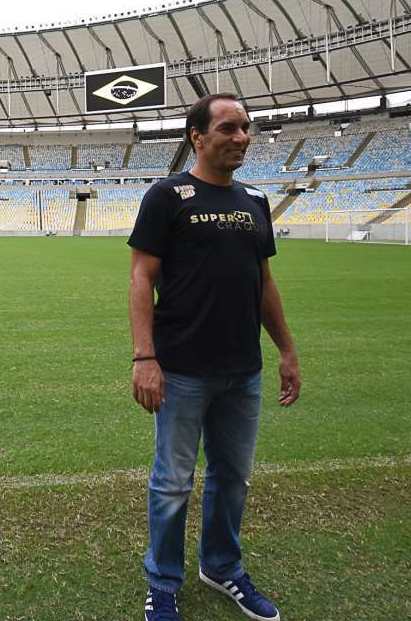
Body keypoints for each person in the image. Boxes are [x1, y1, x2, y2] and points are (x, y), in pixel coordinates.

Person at [128, 93, 301, 621]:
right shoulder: (167, 195)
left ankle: (221, 566)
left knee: (232, 479)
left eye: (245, 127)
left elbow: (263, 282)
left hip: (242, 371)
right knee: (172, 483)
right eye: (228, 128)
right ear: (197, 137)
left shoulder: (255, 200)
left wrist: (286, 349)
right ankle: (162, 583)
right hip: (181, 369)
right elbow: (141, 277)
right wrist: (144, 357)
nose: (241, 137)